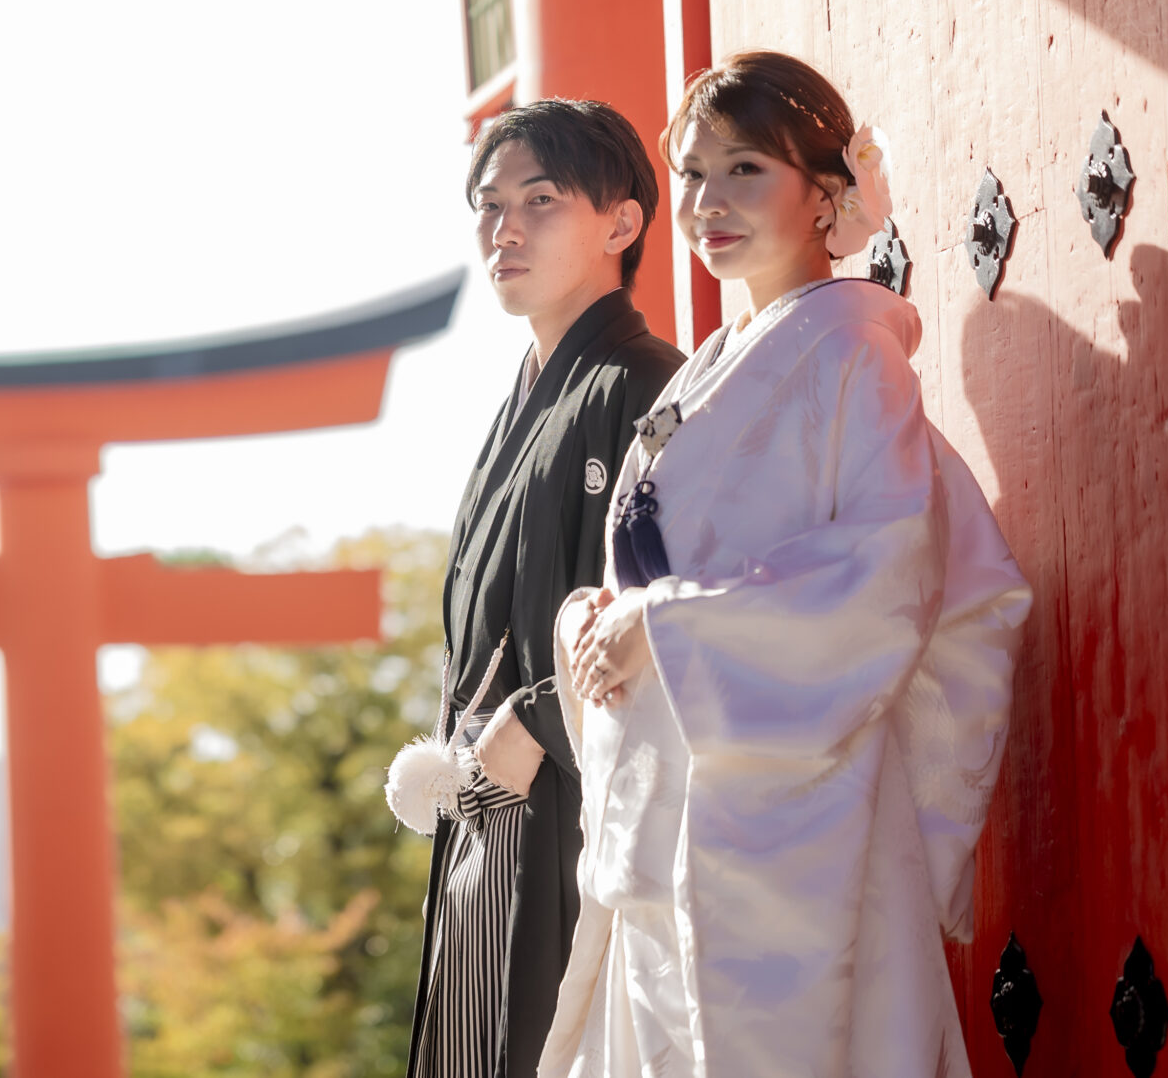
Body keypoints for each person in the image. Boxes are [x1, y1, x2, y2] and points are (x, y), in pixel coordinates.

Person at [540, 52, 1031, 1078]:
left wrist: (663, 625)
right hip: (674, 804)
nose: (707, 202)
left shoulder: (849, 350)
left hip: (797, 830)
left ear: (828, 193)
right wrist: (600, 616)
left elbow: (887, 568)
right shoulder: (716, 365)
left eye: (744, 168)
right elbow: (662, 567)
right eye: (689, 173)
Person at [400, 98, 687, 1078]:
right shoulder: (517, 404)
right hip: (489, 816)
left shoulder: (642, 384)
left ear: (620, 221)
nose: (504, 227)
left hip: (577, 813)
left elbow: (678, 601)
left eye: (540, 198)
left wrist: (534, 715)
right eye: (488, 205)